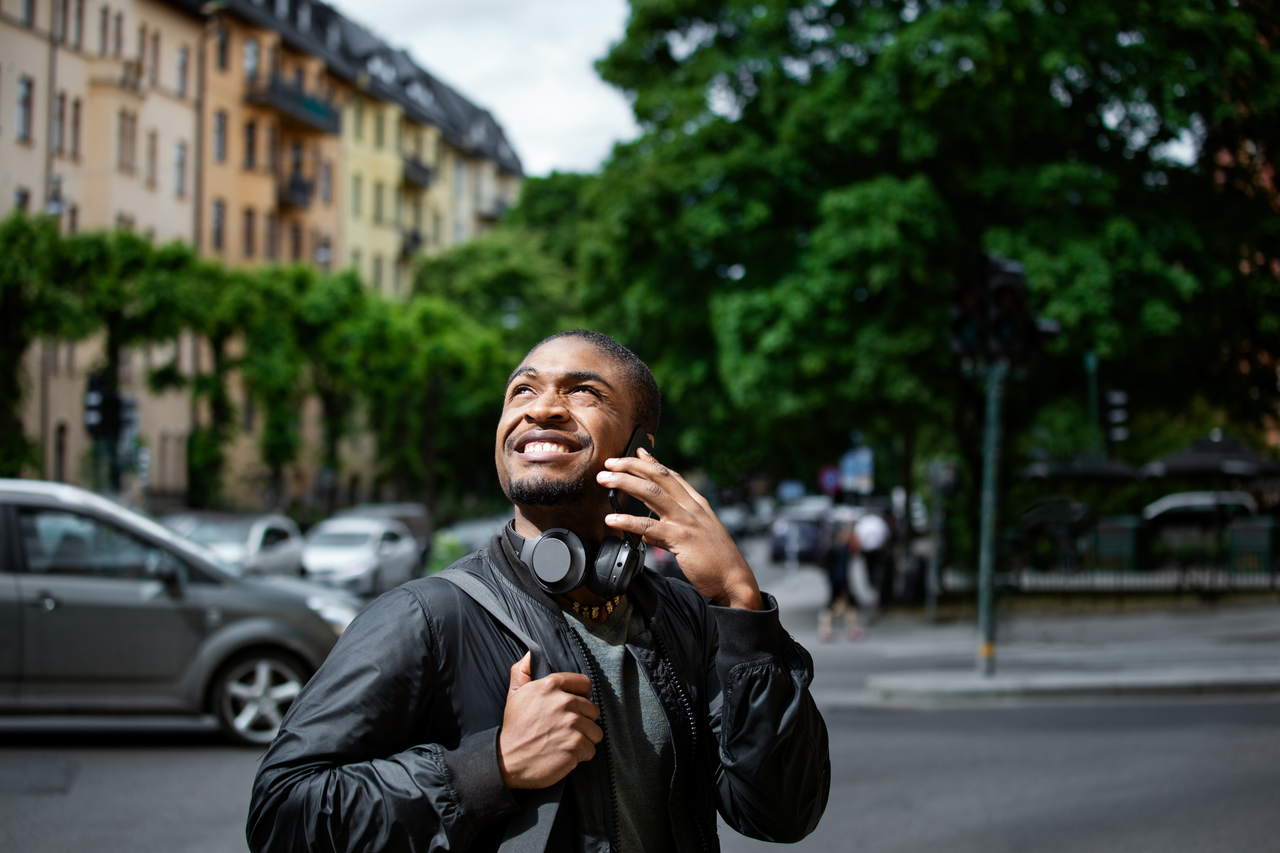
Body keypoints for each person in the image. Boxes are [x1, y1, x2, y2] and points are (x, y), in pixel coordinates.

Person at [246, 330, 831, 853]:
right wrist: (488, 767)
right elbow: (281, 815)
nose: (542, 408)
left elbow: (781, 814)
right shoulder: (426, 616)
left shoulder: (690, 617)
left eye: (583, 392)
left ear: (640, 449)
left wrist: (740, 603)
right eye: (522, 391)